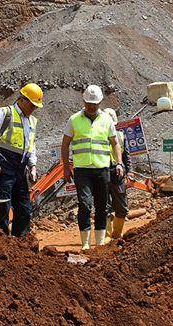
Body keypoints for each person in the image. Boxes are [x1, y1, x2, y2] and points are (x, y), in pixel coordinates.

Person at [61, 85, 124, 250]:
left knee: (102, 205)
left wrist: (119, 163)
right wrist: (66, 167)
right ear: (83, 101)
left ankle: (101, 242)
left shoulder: (107, 120)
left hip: (102, 169)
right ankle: (86, 244)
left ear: (100, 102)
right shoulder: (74, 120)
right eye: (88, 102)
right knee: (85, 204)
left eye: (94, 103)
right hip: (82, 170)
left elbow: (115, 142)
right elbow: (65, 144)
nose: (91, 106)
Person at [0, 83, 43, 236]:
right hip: (3, 163)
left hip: (20, 166)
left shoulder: (32, 121)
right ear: (22, 99)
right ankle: (2, 239)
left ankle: (21, 241)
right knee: (3, 204)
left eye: (35, 107)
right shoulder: (5, 113)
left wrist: (33, 166)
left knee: (24, 207)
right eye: (31, 105)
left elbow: (31, 145)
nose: (33, 109)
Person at [103, 108, 130, 240]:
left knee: (122, 208)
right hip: (101, 172)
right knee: (104, 206)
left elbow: (126, 157)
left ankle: (116, 234)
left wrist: (127, 172)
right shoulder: (97, 137)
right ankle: (106, 237)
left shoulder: (120, 136)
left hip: (117, 173)